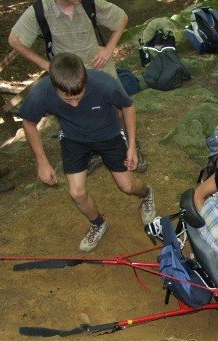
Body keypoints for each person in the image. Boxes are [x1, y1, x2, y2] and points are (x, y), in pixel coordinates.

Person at [17, 53, 156, 252]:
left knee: (127, 186)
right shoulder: (42, 92)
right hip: (74, 139)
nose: (74, 104)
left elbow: (128, 106)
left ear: (85, 81)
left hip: (109, 135)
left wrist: (132, 146)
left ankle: (146, 194)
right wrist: (42, 162)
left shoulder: (103, 83)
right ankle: (98, 223)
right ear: (55, 86)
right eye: (67, 99)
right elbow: (29, 122)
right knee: (76, 192)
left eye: (79, 97)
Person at [9, 0, 147, 173]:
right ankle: (94, 151)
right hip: (67, 77)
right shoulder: (40, 11)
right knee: (78, 113)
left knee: (119, 110)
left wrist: (108, 49)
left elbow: (121, 18)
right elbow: (15, 40)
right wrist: (47, 65)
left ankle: (132, 146)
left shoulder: (89, 3)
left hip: (99, 68)